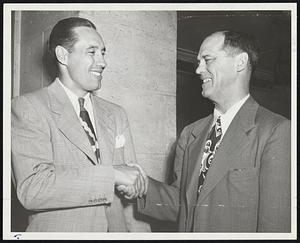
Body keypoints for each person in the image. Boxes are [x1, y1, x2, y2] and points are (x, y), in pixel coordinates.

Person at [123, 30, 291, 232]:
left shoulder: (275, 131)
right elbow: (181, 204)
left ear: (240, 62)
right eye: (198, 61)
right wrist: (144, 186)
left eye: (207, 59)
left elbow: (275, 226)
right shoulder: (190, 133)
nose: (198, 69)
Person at [11, 17, 149, 232]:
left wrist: (134, 186)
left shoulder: (116, 114)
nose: (103, 62)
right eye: (91, 52)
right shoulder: (28, 107)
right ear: (63, 55)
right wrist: (111, 175)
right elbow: (33, 190)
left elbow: (131, 194)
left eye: (103, 52)